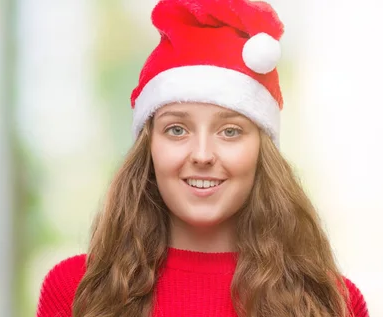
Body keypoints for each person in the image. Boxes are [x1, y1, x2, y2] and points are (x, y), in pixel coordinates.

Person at [35, 0, 370, 316]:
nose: (202, 155)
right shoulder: (77, 290)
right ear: (148, 148)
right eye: (177, 130)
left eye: (230, 131)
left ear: (261, 152)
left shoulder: (332, 299)